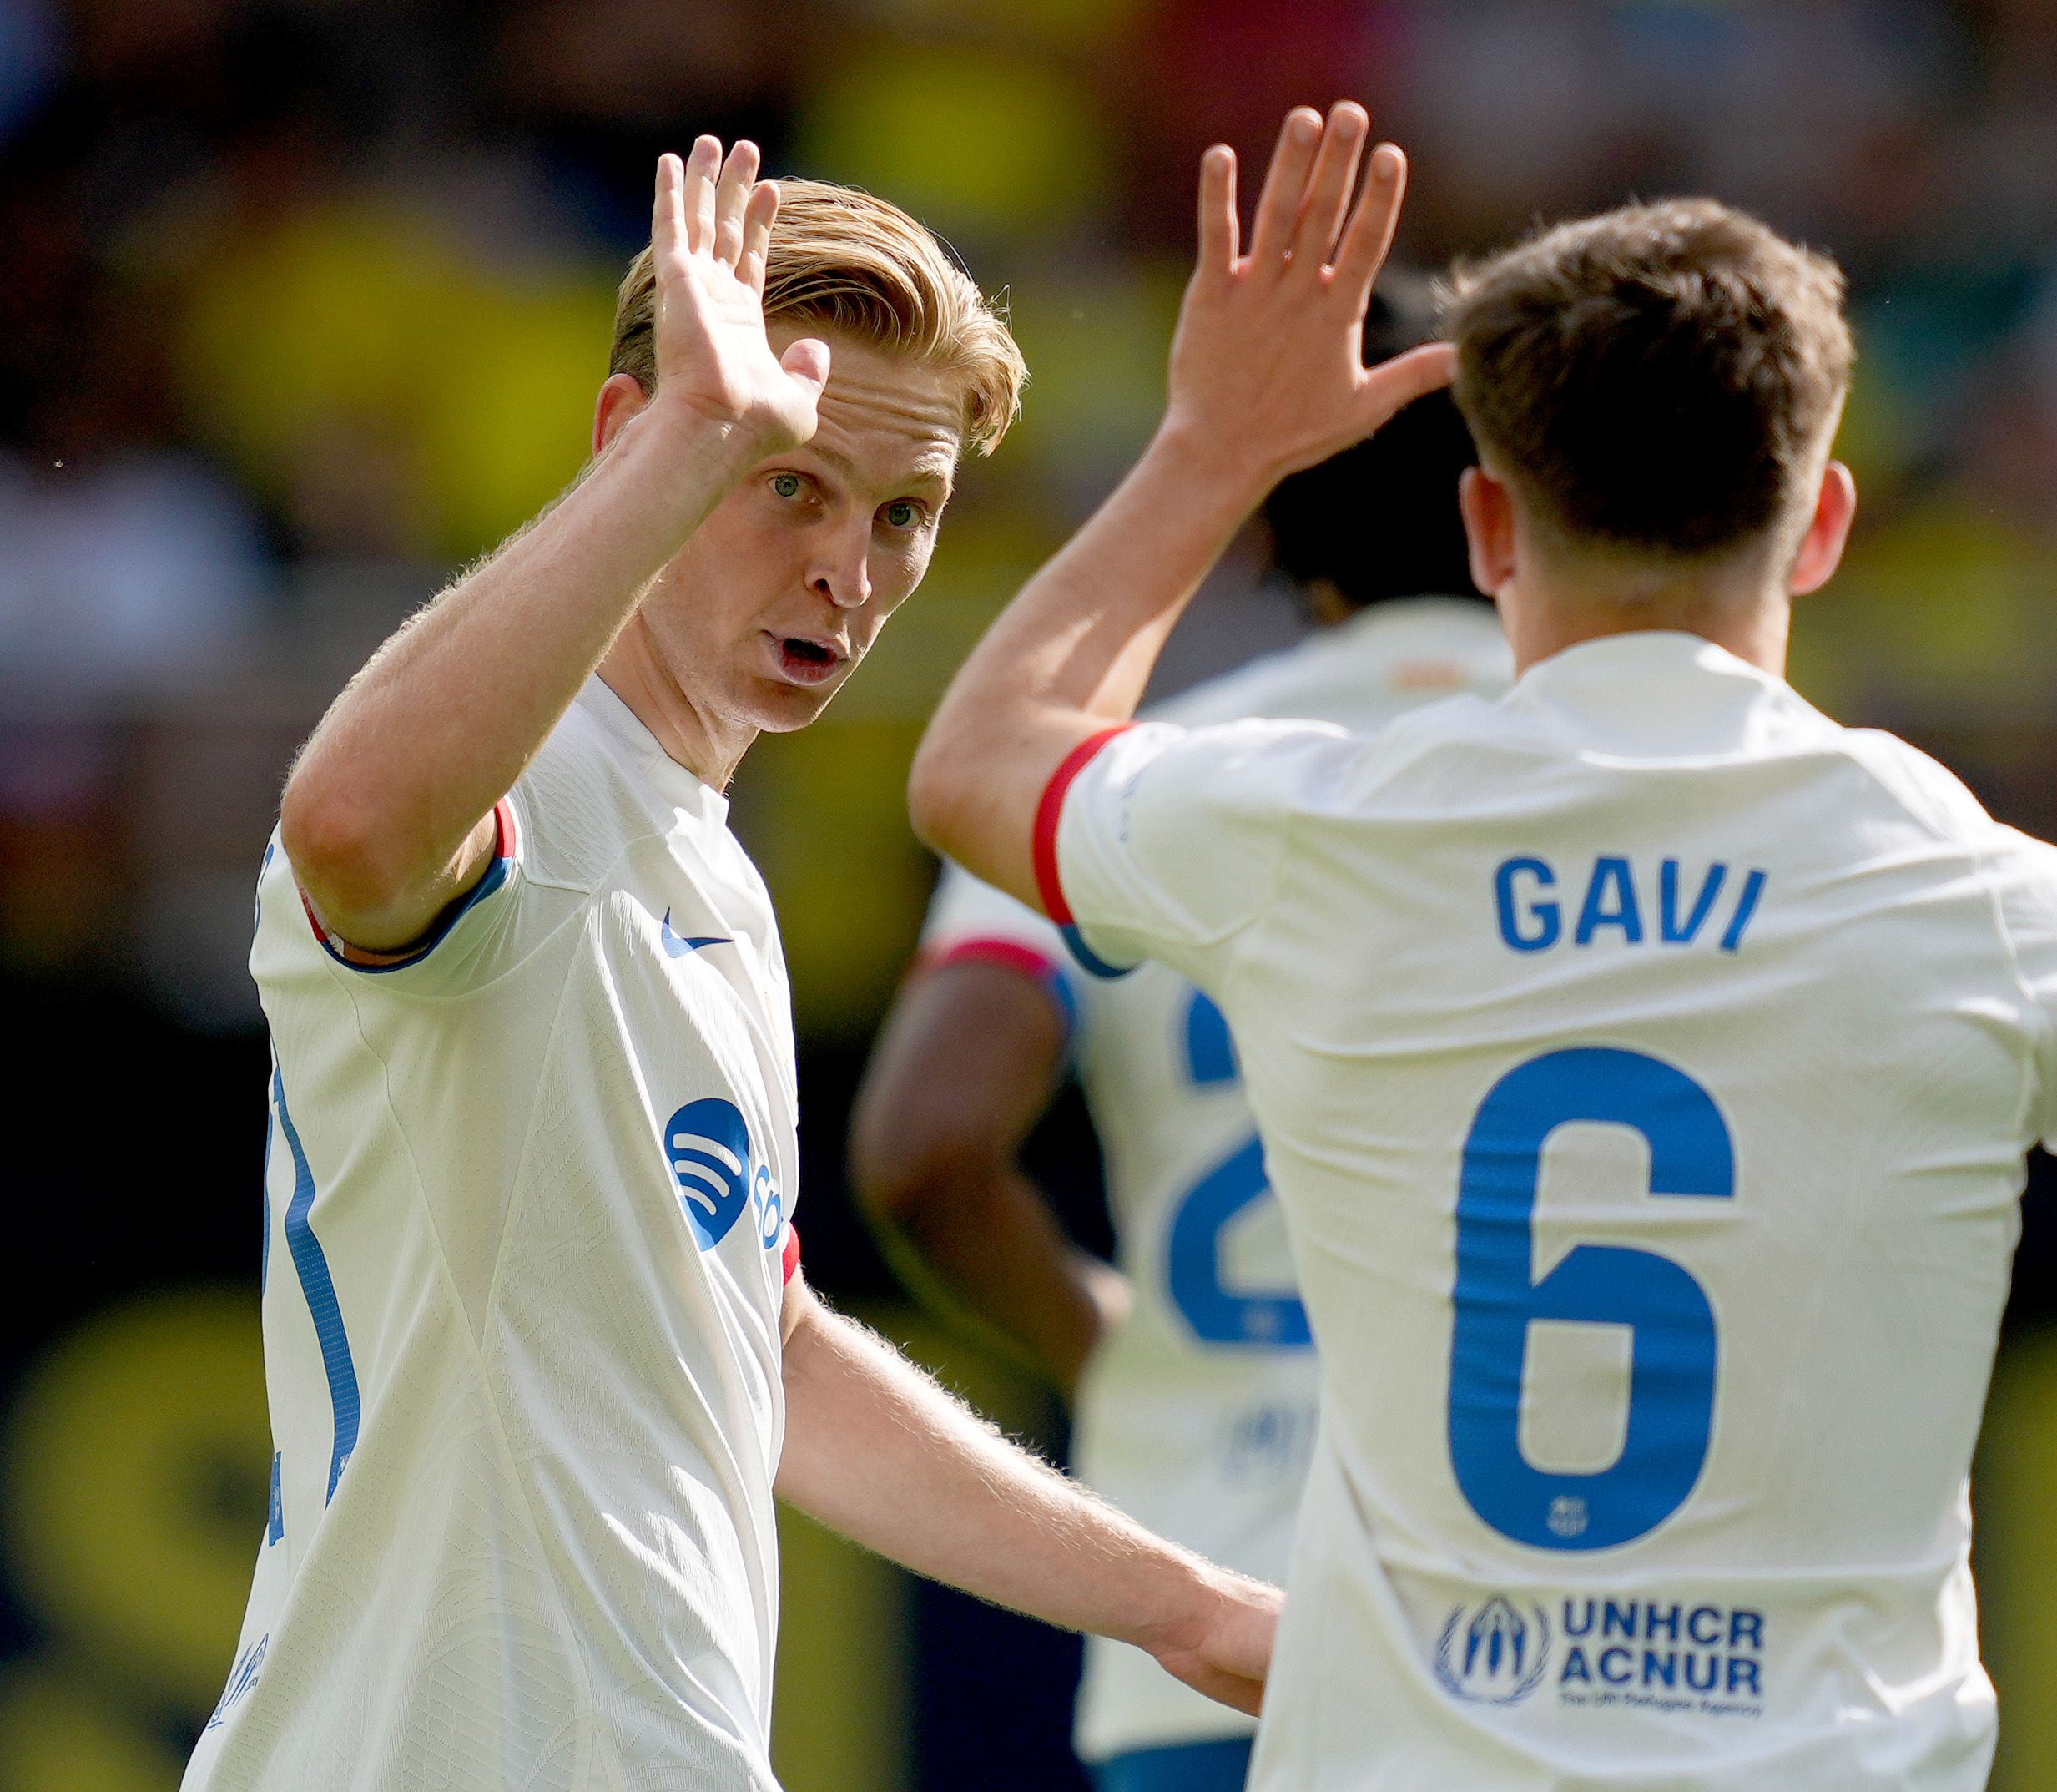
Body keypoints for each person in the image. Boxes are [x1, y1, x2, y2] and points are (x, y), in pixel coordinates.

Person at [910, 103, 2057, 1790]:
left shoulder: (1319, 836)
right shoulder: (1995, 903)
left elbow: (977, 768)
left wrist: (1212, 448)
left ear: (1490, 531)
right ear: (1821, 523)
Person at [187, 139, 1274, 1792]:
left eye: (903, 514)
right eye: (792, 483)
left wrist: (1185, 1610)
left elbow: (760, 1350)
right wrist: (701, 436)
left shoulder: (705, 869)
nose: (852, 569)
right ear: (638, 436)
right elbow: (345, 829)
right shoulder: (528, 782)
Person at [850, 282, 1508, 1792]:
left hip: (1218, 1624)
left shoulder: (1133, 786)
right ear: (1520, 513)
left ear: (1267, 526)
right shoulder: (1645, 783)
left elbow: (927, 1147)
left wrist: (1116, 1350)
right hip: (1577, 1636)